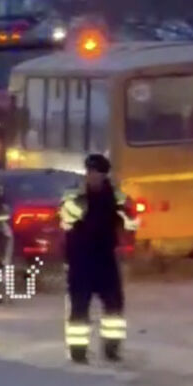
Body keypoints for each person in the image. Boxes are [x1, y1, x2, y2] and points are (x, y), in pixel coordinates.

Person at [59, 153, 135, 364]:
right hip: (80, 258)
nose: (92, 176)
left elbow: (132, 223)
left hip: (105, 257)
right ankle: (78, 352)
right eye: (89, 171)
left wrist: (127, 214)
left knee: (114, 305)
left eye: (96, 172)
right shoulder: (74, 195)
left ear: (104, 174)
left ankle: (112, 349)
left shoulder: (116, 196)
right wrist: (80, 207)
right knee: (79, 307)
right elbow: (66, 217)